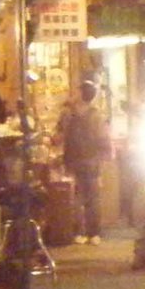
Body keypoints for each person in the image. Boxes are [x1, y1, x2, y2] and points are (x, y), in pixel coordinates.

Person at [58, 79, 108, 242]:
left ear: (81, 94)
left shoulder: (67, 113)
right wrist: (104, 154)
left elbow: (59, 135)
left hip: (73, 158)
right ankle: (94, 233)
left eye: (77, 91)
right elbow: (103, 137)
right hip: (91, 159)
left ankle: (80, 232)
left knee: (78, 196)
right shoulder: (96, 114)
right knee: (93, 197)